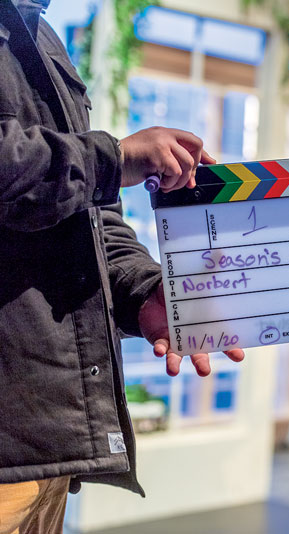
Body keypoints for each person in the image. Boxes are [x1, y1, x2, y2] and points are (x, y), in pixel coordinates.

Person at [0, 2, 244, 532]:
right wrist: (114, 158)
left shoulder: (41, 36)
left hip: (44, 440)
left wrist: (147, 292)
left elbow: (87, 216)